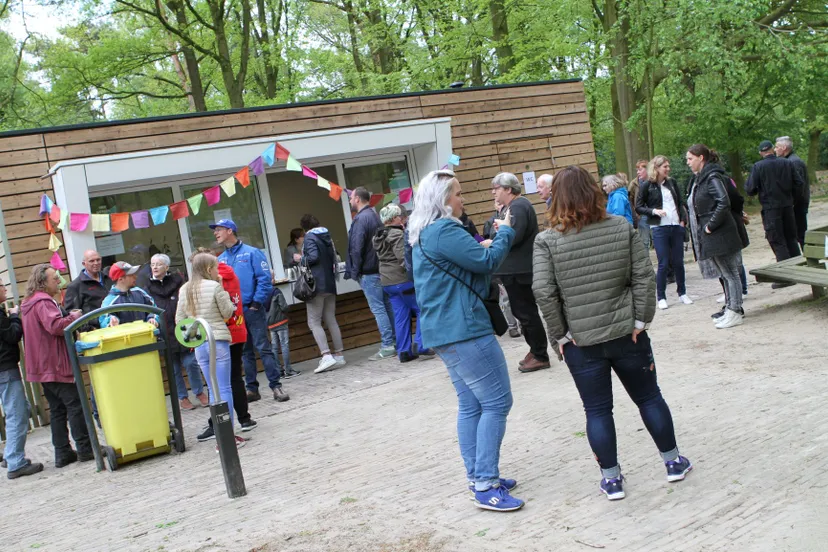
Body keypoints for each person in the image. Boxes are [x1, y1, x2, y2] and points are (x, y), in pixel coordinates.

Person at [533, 165, 692, 501]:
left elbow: (544, 292)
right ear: (594, 191)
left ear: (556, 198)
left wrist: (560, 336)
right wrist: (640, 321)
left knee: (597, 411)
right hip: (627, 335)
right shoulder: (620, 227)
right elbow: (643, 276)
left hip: (581, 342)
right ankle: (673, 462)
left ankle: (612, 480)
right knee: (649, 397)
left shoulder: (547, 241)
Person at [409, 169, 524, 512]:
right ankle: (486, 484)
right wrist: (504, 233)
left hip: (445, 330)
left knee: (472, 404)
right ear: (443, 199)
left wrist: (484, 245)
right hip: (464, 328)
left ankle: (478, 477)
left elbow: (466, 264)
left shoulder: (425, 232)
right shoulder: (444, 229)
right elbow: (486, 262)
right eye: (458, 193)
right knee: (497, 402)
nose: (463, 199)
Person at [21, 264, 93, 468]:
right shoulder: (43, 302)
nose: (58, 281)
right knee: (75, 405)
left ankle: (63, 453)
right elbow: (55, 326)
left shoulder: (29, 303)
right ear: (43, 282)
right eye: (54, 278)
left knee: (57, 409)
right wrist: (74, 317)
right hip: (55, 364)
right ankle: (85, 449)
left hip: (42, 366)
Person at [212, 219, 289, 402]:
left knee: (263, 347)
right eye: (215, 230)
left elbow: (264, 280)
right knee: (245, 352)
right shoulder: (220, 259)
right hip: (234, 314)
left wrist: (256, 303)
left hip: (252, 309)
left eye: (219, 229)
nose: (215, 233)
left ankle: (276, 386)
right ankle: (252, 389)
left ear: (230, 231)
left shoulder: (252, 252)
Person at [176, 253, 245, 448]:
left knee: (213, 389)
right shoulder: (214, 286)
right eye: (215, 267)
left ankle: (220, 435)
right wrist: (221, 287)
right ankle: (229, 436)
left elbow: (180, 320)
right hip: (217, 341)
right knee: (224, 388)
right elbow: (228, 311)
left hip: (200, 344)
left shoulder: (184, 289)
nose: (217, 271)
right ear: (208, 269)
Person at [491, 172, 551, 373]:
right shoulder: (512, 207)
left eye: (496, 188)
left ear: (508, 189)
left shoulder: (518, 206)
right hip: (515, 271)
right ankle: (535, 350)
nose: (493, 192)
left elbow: (513, 237)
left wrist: (497, 236)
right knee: (522, 313)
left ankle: (540, 354)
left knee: (526, 313)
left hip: (520, 271)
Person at [197, 245, 258, 442]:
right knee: (234, 378)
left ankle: (218, 425)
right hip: (237, 330)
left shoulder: (213, 282)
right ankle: (245, 419)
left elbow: (221, 309)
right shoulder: (231, 274)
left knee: (218, 383)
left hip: (220, 335)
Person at [686, 145, 747, 328]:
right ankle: (730, 308)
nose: (688, 162)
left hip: (720, 233)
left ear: (701, 158)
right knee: (725, 273)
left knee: (730, 273)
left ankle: (735, 310)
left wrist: (710, 226)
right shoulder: (702, 178)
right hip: (712, 233)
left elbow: (724, 202)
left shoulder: (712, 177)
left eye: (690, 158)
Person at [145, 254, 207, 411]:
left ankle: (199, 392)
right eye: (152, 264)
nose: (155, 267)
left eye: (159, 264)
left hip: (183, 329)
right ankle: (182, 397)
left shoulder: (178, 281)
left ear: (167, 267)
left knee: (191, 362)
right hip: (164, 332)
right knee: (174, 369)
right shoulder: (146, 287)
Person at [636, 156, 693, 310]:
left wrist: (682, 221)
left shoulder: (672, 183)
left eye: (668, 166)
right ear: (656, 168)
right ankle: (661, 296)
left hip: (675, 226)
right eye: (665, 167)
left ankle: (682, 293)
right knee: (663, 262)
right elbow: (639, 207)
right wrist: (654, 211)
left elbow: (680, 203)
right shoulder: (647, 185)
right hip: (659, 227)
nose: (668, 169)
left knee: (678, 262)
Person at [346, 187, 396, 360]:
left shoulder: (361, 219)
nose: (350, 200)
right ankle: (396, 341)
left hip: (368, 272)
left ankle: (387, 345)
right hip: (380, 269)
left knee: (378, 308)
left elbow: (356, 247)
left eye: (351, 197)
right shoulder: (375, 215)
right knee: (387, 306)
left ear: (358, 199)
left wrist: (355, 271)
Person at [373, 204, 427, 362]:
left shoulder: (378, 236)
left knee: (401, 316)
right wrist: (417, 273)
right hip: (403, 281)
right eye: (398, 216)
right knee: (423, 309)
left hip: (387, 283)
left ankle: (404, 351)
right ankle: (420, 345)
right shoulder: (396, 234)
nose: (402, 218)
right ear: (392, 219)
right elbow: (403, 258)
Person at [0, 282, 43, 479]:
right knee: (16, 414)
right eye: (2, 286)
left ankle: (10, 455)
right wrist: (15, 316)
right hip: (5, 369)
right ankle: (16, 462)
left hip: (4, 369)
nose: (5, 289)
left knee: (21, 410)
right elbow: (13, 335)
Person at [745, 140, 803, 280]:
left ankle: (785, 277)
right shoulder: (787, 163)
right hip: (787, 206)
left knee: (777, 240)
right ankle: (799, 270)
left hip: (771, 208)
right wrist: (792, 200)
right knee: (791, 238)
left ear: (761, 153)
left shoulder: (758, 166)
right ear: (772, 149)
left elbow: (750, 189)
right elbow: (799, 183)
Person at [300, 213, 346, 374]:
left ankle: (326, 356)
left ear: (304, 228)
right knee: (331, 319)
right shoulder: (327, 236)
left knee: (313, 322)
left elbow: (313, 257)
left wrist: (301, 259)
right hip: (330, 282)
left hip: (316, 286)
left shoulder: (309, 237)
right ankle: (339, 355)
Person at [482, 200, 521, 339]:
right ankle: (512, 326)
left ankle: (522, 323)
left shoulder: (512, 219)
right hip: (498, 267)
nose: (500, 205)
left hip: (512, 265)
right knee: (505, 299)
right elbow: (488, 242)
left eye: (501, 203)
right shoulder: (489, 222)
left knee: (517, 297)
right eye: (497, 203)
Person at [98, 261, 160, 328]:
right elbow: (104, 321)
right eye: (131, 275)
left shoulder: (139, 292)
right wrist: (110, 322)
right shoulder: (109, 301)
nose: (135, 277)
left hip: (146, 333)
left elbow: (153, 308)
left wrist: (152, 318)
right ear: (121, 279)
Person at [775, 136, 810, 249]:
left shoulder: (793, 162)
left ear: (784, 148)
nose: (775, 150)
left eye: (777, 147)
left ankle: (809, 256)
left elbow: (798, 186)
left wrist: (791, 202)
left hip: (797, 205)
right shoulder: (790, 161)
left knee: (800, 234)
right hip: (796, 203)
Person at [64, 249, 113, 330]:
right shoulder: (75, 286)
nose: (96, 263)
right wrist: (90, 329)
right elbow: (71, 315)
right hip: (95, 331)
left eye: (98, 260)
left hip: (116, 325)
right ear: (84, 264)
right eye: (91, 261)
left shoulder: (109, 278)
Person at [266, 273, 298, 378]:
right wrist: (288, 310)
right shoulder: (276, 292)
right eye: (273, 278)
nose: (274, 280)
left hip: (270, 324)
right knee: (284, 345)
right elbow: (284, 307)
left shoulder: (261, 293)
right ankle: (288, 370)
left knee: (274, 347)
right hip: (280, 322)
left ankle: (279, 371)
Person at [631, 160, 649, 245]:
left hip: (654, 213)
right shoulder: (634, 183)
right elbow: (630, 198)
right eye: (637, 170)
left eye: (640, 170)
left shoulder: (654, 181)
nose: (638, 172)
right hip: (642, 215)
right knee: (644, 241)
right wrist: (635, 212)